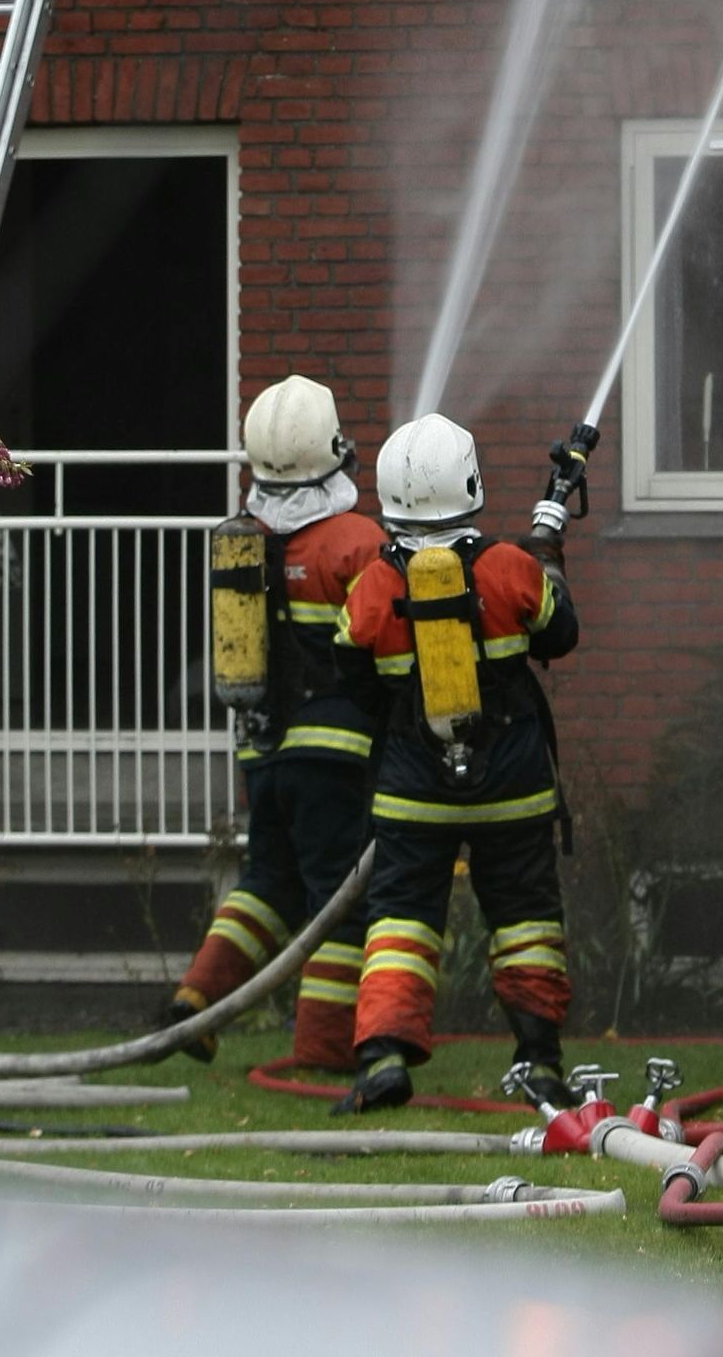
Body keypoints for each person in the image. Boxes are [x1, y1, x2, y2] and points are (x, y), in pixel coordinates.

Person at [330, 412, 579, 1113]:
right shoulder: (509, 568)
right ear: (469, 482)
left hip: (414, 793)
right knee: (525, 919)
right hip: (515, 791)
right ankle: (539, 1062)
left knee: (402, 920)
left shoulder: (374, 589)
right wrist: (547, 558)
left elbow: (351, 678)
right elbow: (562, 632)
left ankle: (382, 1058)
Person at [161, 375, 382, 1070]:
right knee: (338, 899)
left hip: (263, 751)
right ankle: (324, 1047)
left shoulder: (245, 540)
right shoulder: (356, 543)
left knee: (267, 882)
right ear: (332, 448)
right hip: (336, 756)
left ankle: (197, 1000)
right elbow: (378, 643)